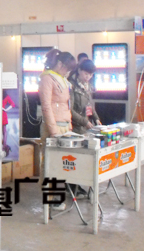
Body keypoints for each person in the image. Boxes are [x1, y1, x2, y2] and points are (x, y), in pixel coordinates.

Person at [38, 49, 77, 210]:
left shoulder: (61, 78)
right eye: (67, 68)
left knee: (62, 163)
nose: (68, 72)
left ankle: (57, 195)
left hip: (64, 126)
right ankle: (50, 196)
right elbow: (46, 106)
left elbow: (66, 105)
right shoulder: (47, 78)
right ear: (60, 64)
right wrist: (53, 131)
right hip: (53, 127)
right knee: (50, 162)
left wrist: (69, 126)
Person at [69, 59, 101, 134]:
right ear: (79, 70)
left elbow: (89, 105)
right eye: (86, 74)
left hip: (85, 127)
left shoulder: (88, 86)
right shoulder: (71, 85)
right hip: (74, 127)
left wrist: (96, 119)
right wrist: (84, 122)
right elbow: (70, 110)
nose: (88, 77)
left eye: (90, 75)